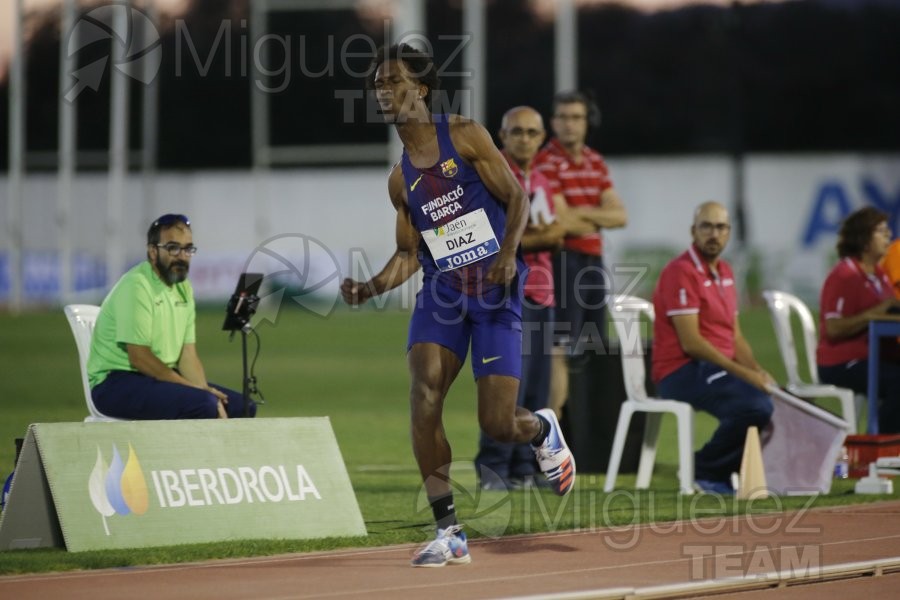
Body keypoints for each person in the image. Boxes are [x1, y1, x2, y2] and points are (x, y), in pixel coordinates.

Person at [342, 44, 575, 567]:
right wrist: (371, 288)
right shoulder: (400, 180)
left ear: (421, 89)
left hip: (494, 293)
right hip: (443, 296)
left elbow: (515, 198)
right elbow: (409, 254)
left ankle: (542, 429)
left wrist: (510, 253)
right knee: (423, 397)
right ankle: (449, 531)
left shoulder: (466, 135)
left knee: (498, 423)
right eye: (378, 84)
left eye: (394, 80)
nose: (384, 90)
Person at [474, 106, 594, 490]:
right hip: (507, 293)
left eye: (531, 133)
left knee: (538, 386)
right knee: (507, 384)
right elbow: (495, 237)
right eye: (517, 132)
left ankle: (525, 467)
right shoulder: (492, 176)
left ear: (542, 138)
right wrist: (545, 236)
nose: (525, 139)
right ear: (502, 135)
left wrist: (545, 234)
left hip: (543, 291)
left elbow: (559, 227)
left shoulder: (541, 179)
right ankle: (494, 467)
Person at [652, 201, 774, 495]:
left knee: (767, 402)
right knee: (754, 406)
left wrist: (757, 371)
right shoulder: (681, 272)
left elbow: (735, 337)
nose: (713, 234)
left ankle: (728, 472)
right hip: (680, 370)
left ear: (729, 233)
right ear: (693, 231)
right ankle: (705, 470)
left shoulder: (727, 272)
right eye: (706, 226)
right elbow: (691, 343)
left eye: (720, 227)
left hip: (712, 368)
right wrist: (744, 375)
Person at [87, 214, 256, 420]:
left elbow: (187, 355)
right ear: (152, 251)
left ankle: (214, 452)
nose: (182, 256)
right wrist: (201, 393)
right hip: (116, 383)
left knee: (243, 407)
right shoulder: (137, 285)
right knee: (204, 404)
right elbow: (139, 357)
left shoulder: (183, 287)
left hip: (159, 377)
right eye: (173, 248)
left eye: (188, 249)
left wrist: (202, 389)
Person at [532, 90, 627, 417]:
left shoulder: (594, 161)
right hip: (562, 260)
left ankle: (586, 426)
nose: (569, 125)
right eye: (563, 117)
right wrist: (595, 214)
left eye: (576, 117)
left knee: (592, 345)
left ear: (587, 122)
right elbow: (561, 221)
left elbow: (621, 216)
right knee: (558, 346)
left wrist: (580, 215)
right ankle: (555, 426)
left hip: (591, 261)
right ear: (553, 122)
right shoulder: (546, 161)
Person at [817, 207, 900, 433]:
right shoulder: (844, 275)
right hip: (843, 361)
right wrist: (873, 314)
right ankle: (880, 449)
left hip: (875, 357)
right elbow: (832, 329)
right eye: (881, 232)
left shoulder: (878, 274)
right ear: (864, 239)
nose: (889, 236)